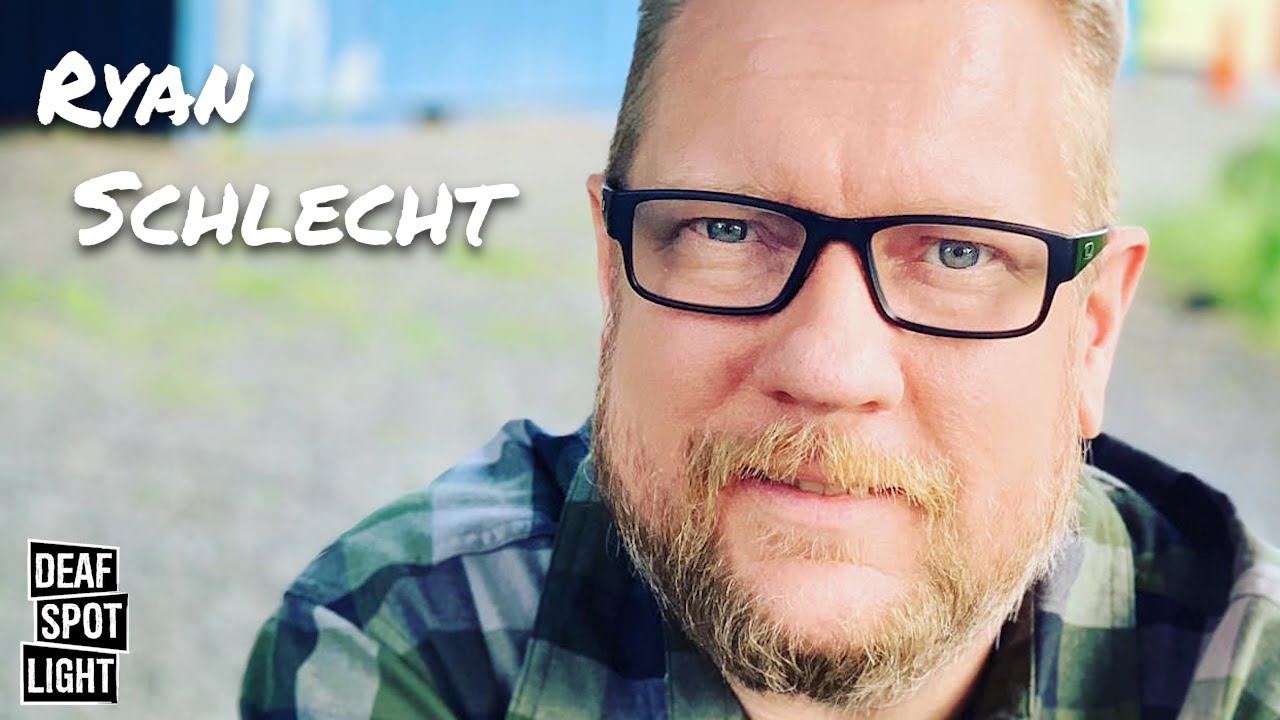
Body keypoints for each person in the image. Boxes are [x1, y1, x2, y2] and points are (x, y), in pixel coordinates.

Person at [240, 0, 1280, 717]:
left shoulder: (1236, 676)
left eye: (957, 253)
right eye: (728, 230)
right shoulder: (408, 643)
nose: (829, 367)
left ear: (1091, 332)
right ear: (613, 272)